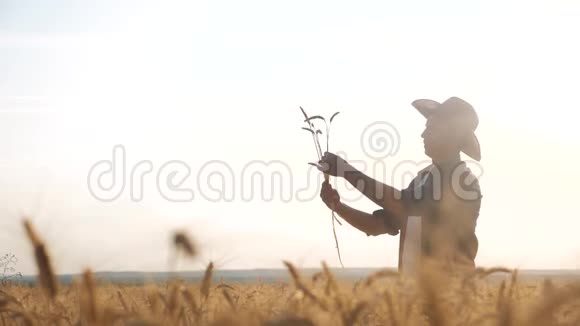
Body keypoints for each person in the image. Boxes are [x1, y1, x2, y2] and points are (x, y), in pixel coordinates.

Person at [318, 96, 483, 275]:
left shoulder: (462, 182)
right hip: (414, 296)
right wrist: (337, 206)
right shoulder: (423, 178)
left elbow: (403, 206)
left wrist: (345, 170)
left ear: (450, 134)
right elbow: (376, 226)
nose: (424, 134)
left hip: (450, 296)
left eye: (431, 128)